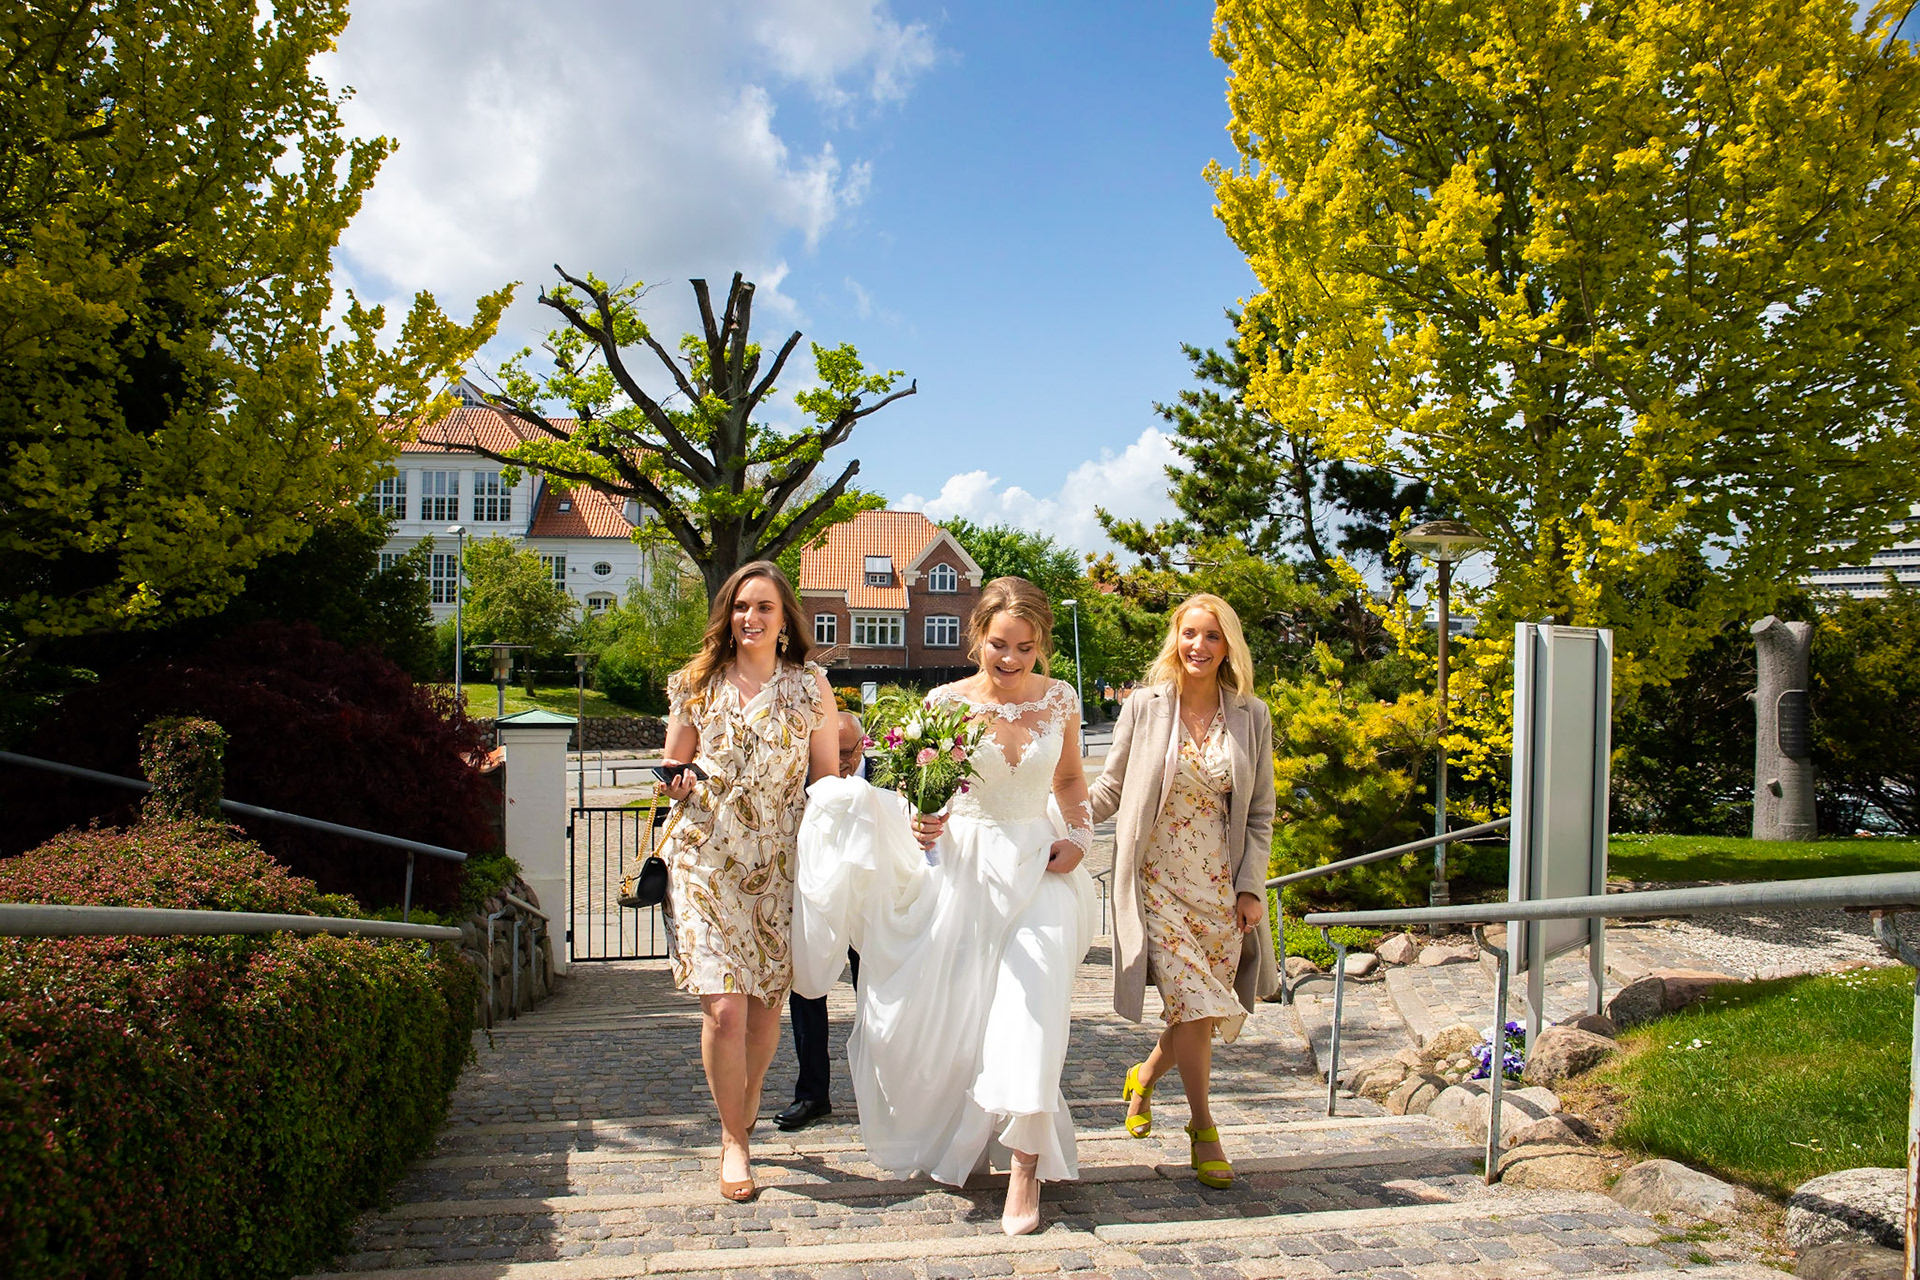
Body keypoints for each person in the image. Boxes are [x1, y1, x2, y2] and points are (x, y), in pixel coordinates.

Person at [794, 577, 1098, 1236]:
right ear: (977, 637)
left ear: (1041, 644)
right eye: (999, 644)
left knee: (1034, 1005)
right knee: (967, 1019)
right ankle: (969, 1135)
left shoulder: (1060, 699)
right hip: (964, 873)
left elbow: (1071, 779)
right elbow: (921, 791)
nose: (1011, 659)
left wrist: (1079, 836)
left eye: (1025, 647)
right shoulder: (943, 703)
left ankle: (1026, 1166)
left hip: (1040, 869)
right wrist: (920, 820)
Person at [656, 561, 838, 1202]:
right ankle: (734, 1139)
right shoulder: (696, 682)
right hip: (704, 857)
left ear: (785, 619)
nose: (750, 618)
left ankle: (750, 1093)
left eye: (764, 607)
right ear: (726, 616)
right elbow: (674, 762)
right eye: (740, 606)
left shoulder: (810, 687)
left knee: (763, 1014)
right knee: (725, 1009)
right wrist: (676, 780)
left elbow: (826, 781)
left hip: (779, 865)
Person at [1087, 593, 1278, 1189]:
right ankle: (1203, 1127)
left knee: (1201, 1011)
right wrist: (1045, 821)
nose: (1199, 645)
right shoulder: (1144, 706)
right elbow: (1109, 789)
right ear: (1176, 639)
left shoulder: (1251, 714)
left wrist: (1250, 888)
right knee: (1194, 1004)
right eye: (1189, 633)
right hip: (1156, 883)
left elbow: (1260, 813)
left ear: (1228, 647)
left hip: (1219, 889)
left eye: (1212, 636)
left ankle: (1144, 1077)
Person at [775, 711, 867, 1132]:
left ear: (863, 746)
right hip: (815, 900)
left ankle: (883, 1095)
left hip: (869, 906)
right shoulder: (802, 776)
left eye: (846, 752)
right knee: (807, 993)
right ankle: (812, 1095)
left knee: (878, 997)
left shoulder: (890, 778)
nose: (839, 761)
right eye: (831, 752)